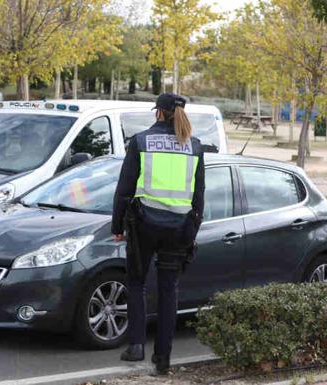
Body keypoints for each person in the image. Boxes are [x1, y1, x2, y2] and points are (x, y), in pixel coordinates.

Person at [112, 93, 205, 374]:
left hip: (144, 225)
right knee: (168, 290)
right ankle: (163, 359)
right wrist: (192, 230)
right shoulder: (194, 146)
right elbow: (198, 196)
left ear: (159, 113)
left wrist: (117, 226)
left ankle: (136, 346)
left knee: (137, 284)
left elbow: (124, 188)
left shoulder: (140, 142)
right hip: (179, 228)